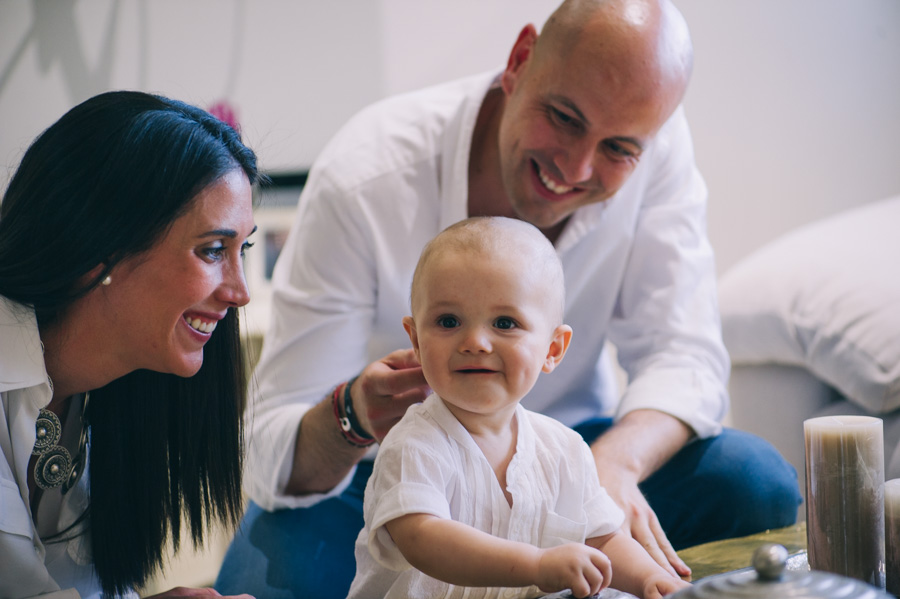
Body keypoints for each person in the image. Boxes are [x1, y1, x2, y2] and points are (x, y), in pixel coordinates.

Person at [218, 0, 802, 597]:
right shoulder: (367, 174)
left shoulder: (657, 144)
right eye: (565, 118)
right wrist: (354, 416)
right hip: (370, 481)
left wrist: (612, 472)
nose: (575, 168)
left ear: (555, 348)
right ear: (520, 61)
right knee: (267, 582)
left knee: (752, 480)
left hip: (572, 446)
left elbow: (686, 356)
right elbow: (270, 445)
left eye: (618, 150)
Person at [0, 91, 261, 599]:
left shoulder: (119, 392)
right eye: (212, 250)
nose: (241, 292)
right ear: (99, 245)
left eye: (242, 250)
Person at [348, 217, 690, 599]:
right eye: (448, 321)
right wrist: (538, 565)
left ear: (552, 349)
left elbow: (603, 538)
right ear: (415, 338)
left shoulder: (563, 449)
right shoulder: (413, 444)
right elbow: (423, 538)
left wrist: (649, 579)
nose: (475, 341)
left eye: (504, 322)